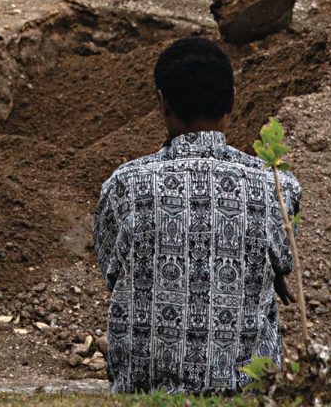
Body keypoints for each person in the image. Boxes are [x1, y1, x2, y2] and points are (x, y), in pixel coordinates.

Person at [93, 36, 301, 395]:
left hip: (146, 393)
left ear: (162, 102)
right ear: (233, 99)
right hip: (243, 393)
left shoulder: (124, 186)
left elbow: (114, 273)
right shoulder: (277, 188)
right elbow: (282, 263)